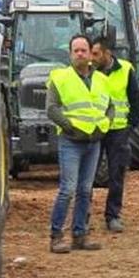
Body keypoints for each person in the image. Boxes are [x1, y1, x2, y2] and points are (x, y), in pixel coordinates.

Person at [46, 34, 113, 254]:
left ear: (90, 53)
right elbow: (52, 108)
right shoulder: (60, 78)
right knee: (67, 189)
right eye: (76, 50)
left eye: (84, 50)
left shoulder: (101, 79)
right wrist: (70, 127)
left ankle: (79, 234)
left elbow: (109, 106)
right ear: (70, 53)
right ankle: (56, 236)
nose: (80, 54)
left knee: (85, 190)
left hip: (93, 142)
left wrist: (106, 123)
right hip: (71, 141)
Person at [91, 35, 139, 233]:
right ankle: (83, 217)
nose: (91, 57)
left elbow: (134, 99)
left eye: (96, 53)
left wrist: (131, 125)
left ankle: (113, 216)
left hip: (118, 130)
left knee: (116, 174)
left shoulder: (126, 70)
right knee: (88, 175)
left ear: (107, 53)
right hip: (94, 129)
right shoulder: (89, 72)